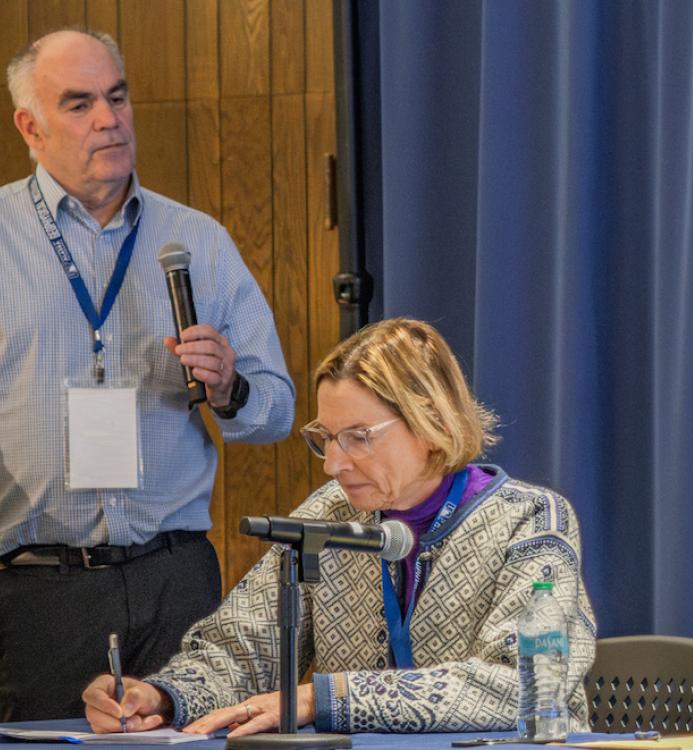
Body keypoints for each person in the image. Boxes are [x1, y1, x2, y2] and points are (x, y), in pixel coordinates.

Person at [83, 318, 596, 735]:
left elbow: (518, 685)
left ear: (431, 425)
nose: (333, 464)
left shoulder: (530, 522)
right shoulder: (330, 515)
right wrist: (163, 696)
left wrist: (325, 698)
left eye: (357, 437)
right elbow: (241, 649)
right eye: (325, 437)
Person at [0, 28, 294, 721]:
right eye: (79, 105)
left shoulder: (198, 241)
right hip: (35, 589)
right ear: (29, 126)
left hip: (174, 578)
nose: (109, 119)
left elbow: (277, 408)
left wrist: (230, 388)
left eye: (118, 96)